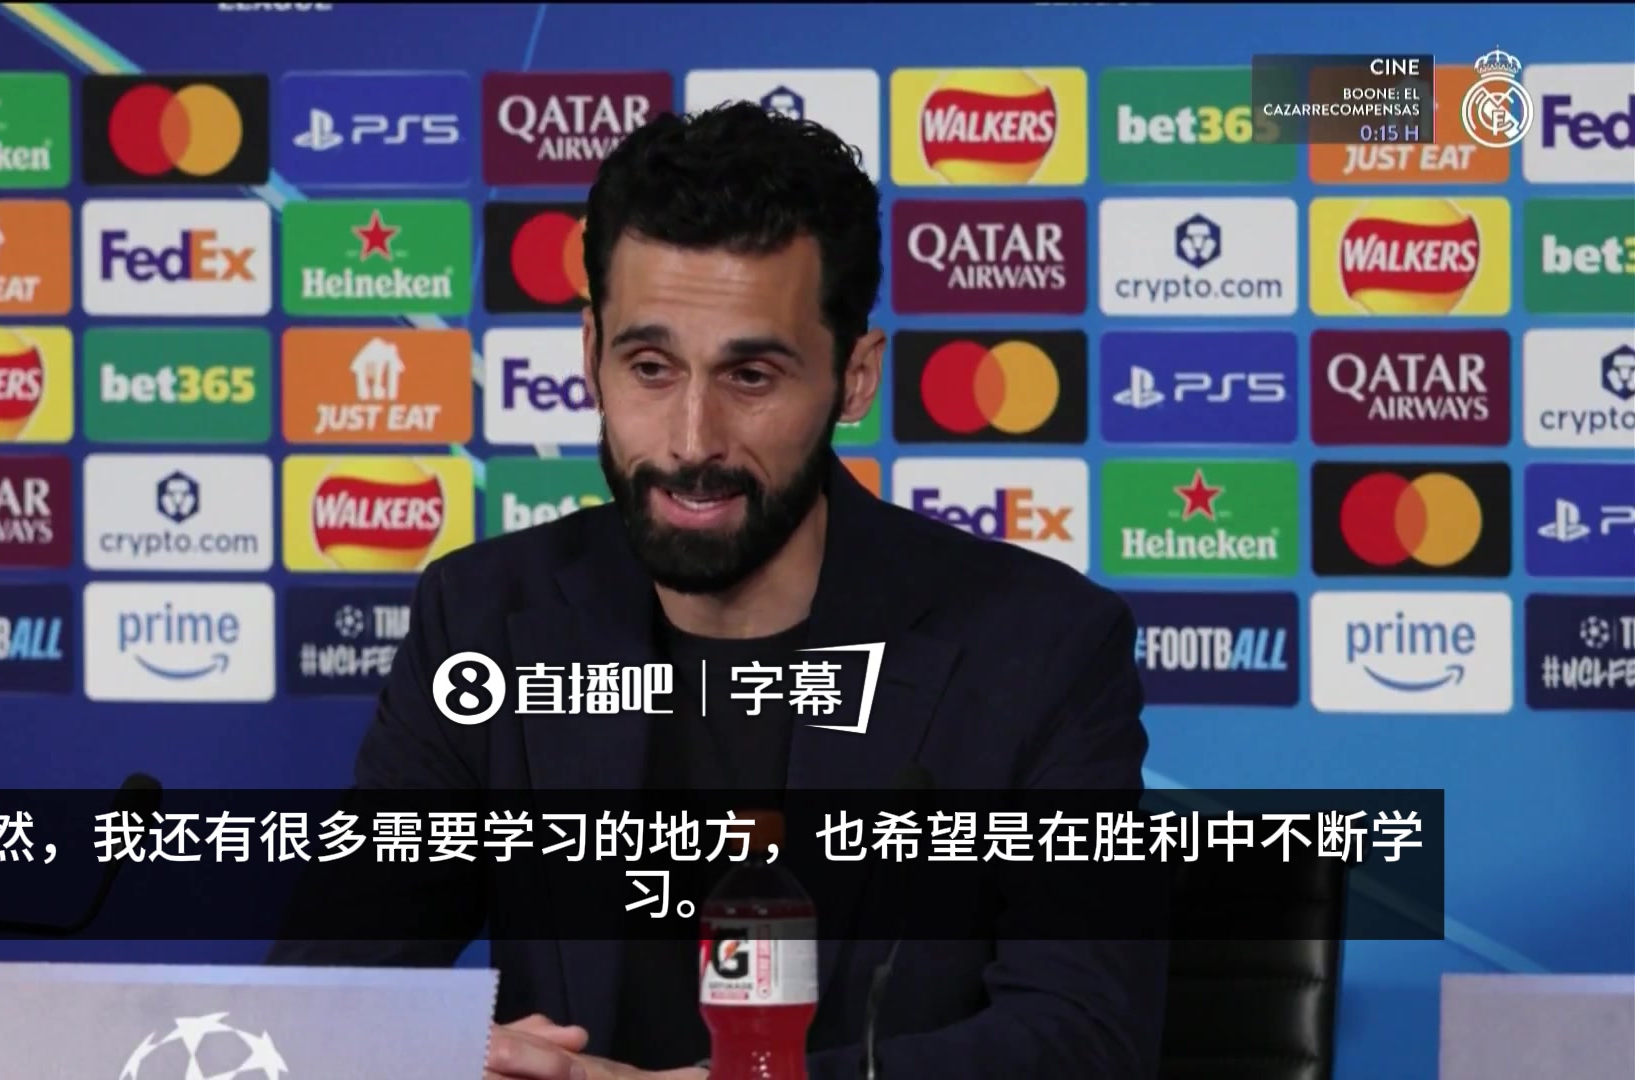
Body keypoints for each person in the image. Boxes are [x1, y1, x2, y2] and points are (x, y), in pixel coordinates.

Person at [269, 101, 1167, 1079]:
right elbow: (324, 992)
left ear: (855, 377)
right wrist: (447, 1055)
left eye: (752, 376)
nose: (692, 442)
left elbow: (1085, 1038)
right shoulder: (482, 620)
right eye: (650, 368)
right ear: (590, 353)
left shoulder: (1040, 648)